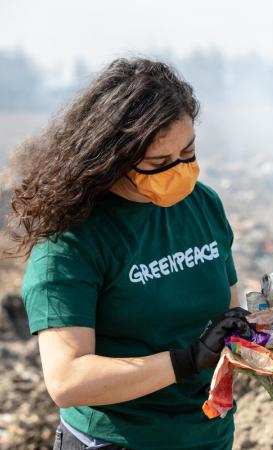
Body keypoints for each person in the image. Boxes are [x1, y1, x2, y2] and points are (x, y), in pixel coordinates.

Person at [3, 57, 254, 450]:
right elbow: (67, 380)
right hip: (116, 442)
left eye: (188, 153)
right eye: (160, 163)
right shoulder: (70, 245)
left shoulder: (202, 205)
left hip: (208, 436)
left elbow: (228, 310)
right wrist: (187, 360)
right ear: (113, 159)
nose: (181, 171)